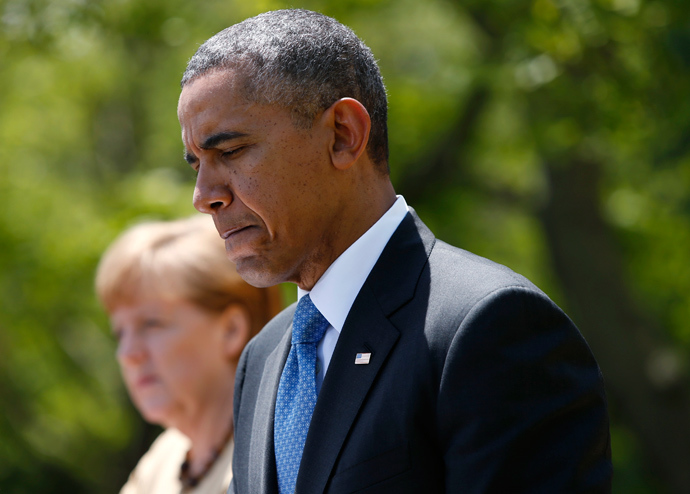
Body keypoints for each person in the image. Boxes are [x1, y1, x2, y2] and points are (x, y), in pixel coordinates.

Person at [177, 9, 612, 494]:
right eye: (196, 163)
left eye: (231, 151)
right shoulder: (262, 360)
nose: (204, 195)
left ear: (343, 135)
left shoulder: (489, 327)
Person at [95, 215, 282, 494]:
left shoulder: (276, 455)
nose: (127, 354)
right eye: (120, 333)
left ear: (231, 330)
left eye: (151, 324)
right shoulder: (165, 457)